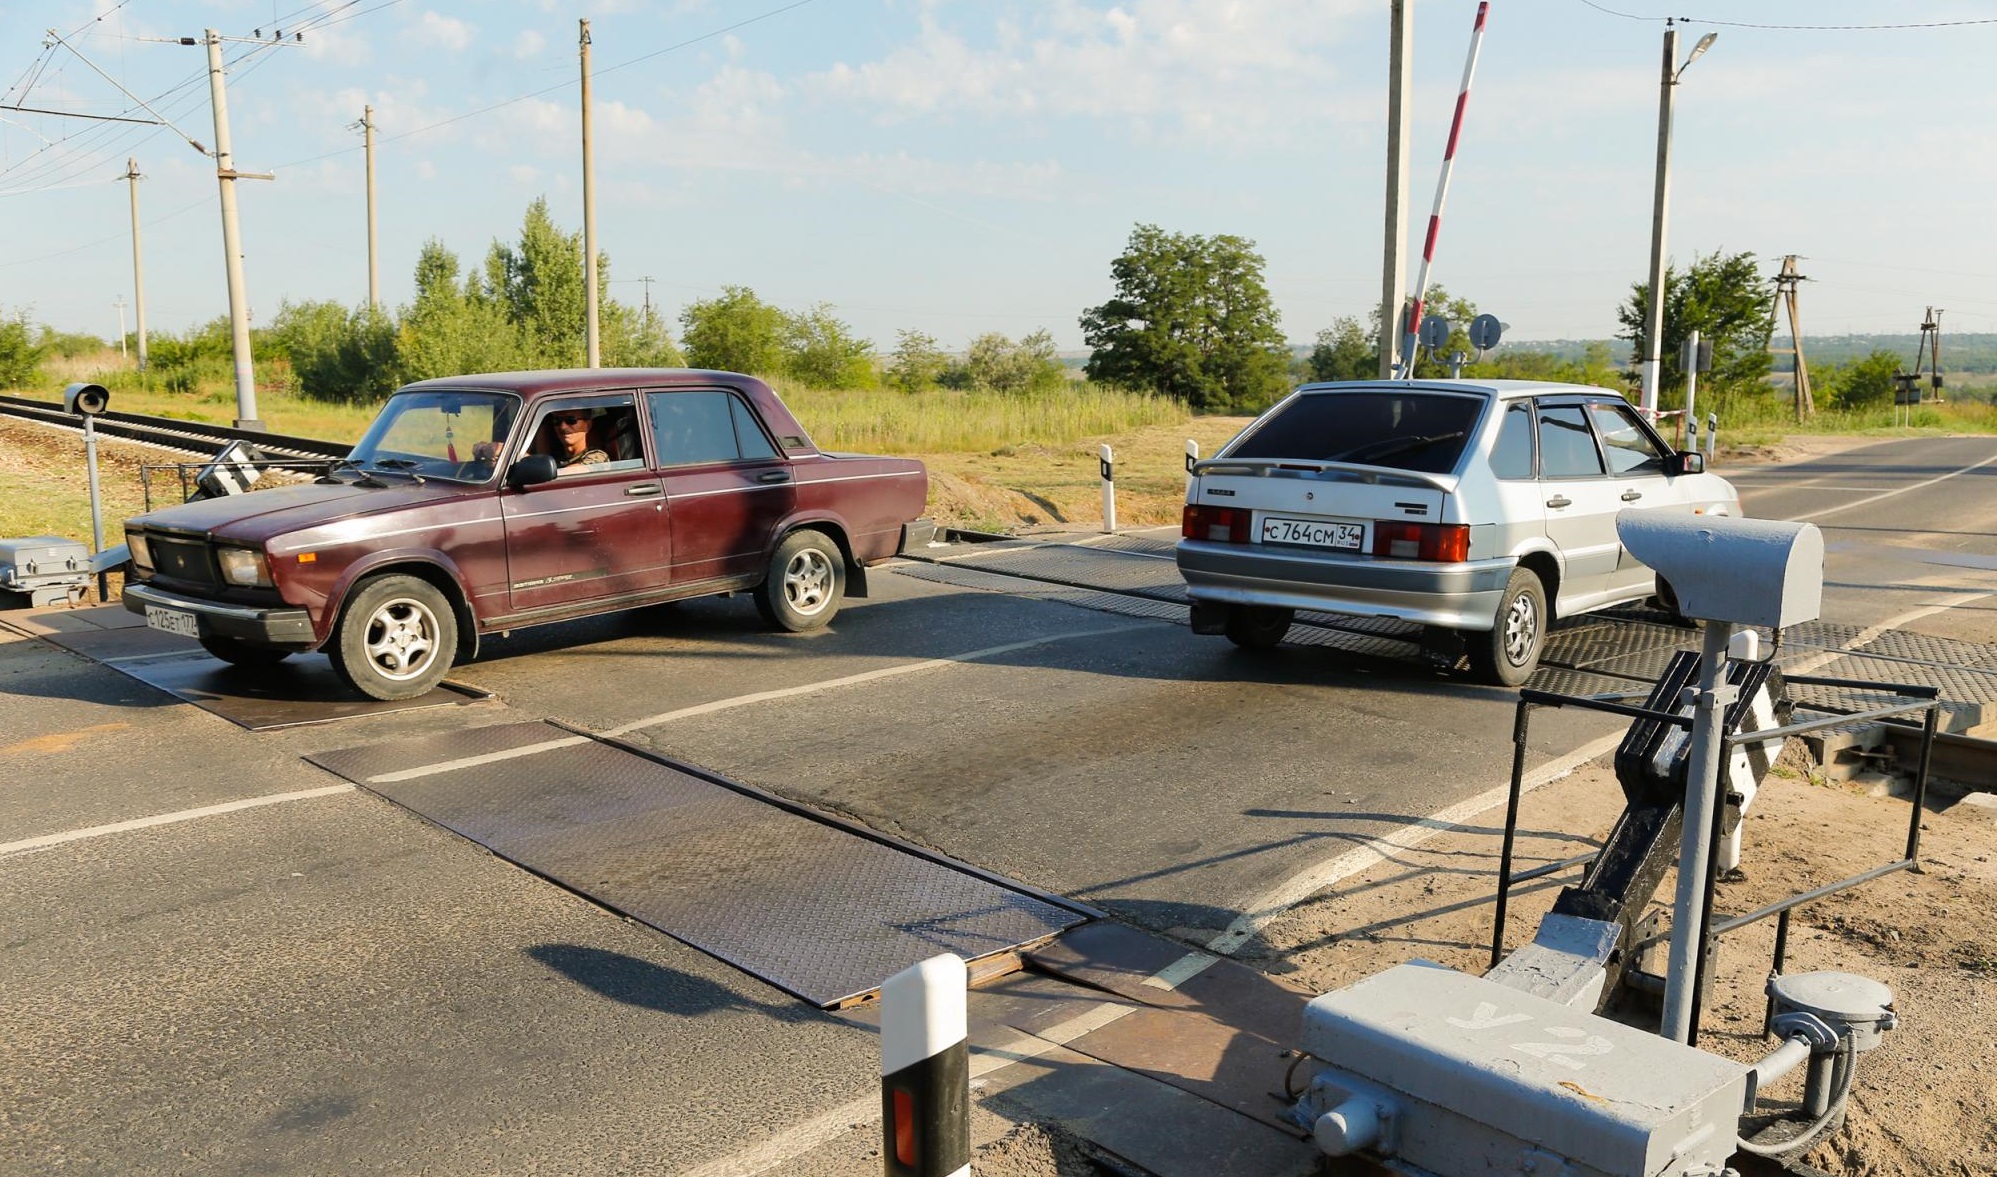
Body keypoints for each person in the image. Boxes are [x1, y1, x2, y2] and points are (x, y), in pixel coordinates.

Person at [540, 410, 608, 467]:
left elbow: (568, 474)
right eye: (557, 421)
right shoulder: (556, 458)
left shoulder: (598, 456)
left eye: (571, 420)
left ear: (588, 425)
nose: (563, 427)